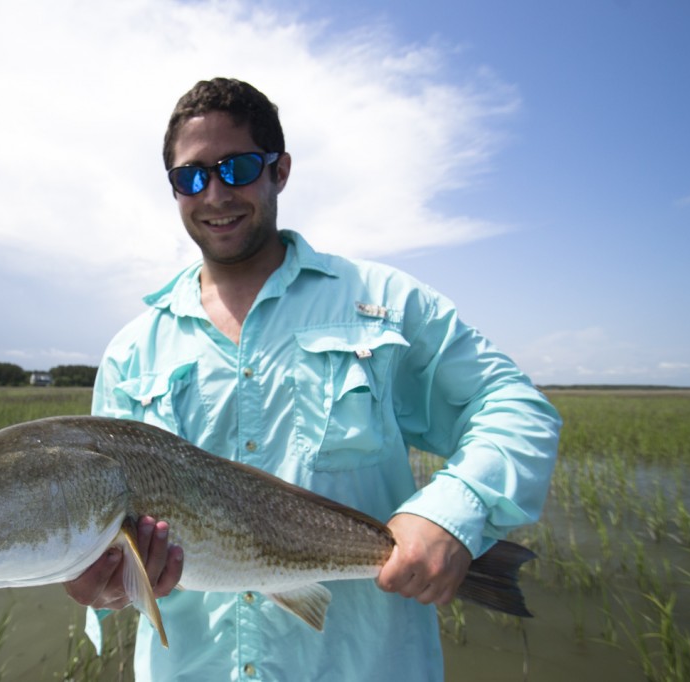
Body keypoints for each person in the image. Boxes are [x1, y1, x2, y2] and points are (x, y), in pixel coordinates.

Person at [64, 77, 560, 681]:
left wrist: (451, 513)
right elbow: (116, 569)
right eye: (190, 177)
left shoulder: (381, 302)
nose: (214, 193)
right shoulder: (130, 351)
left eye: (238, 167)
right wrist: (105, 589)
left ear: (281, 171)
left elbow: (513, 404)